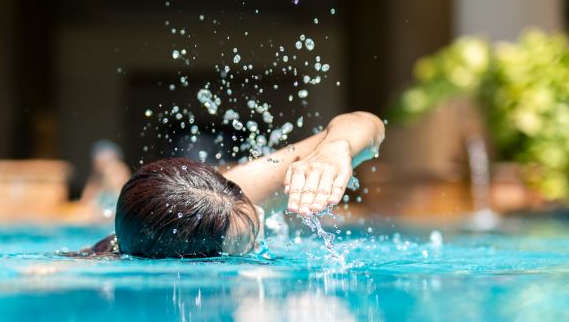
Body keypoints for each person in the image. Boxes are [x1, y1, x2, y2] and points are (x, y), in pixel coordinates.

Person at [80, 111, 385, 258]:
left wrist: (335, 147)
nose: (258, 236)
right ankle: (109, 170)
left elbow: (368, 124)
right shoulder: (102, 262)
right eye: (249, 241)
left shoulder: (237, 192)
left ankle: (110, 167)